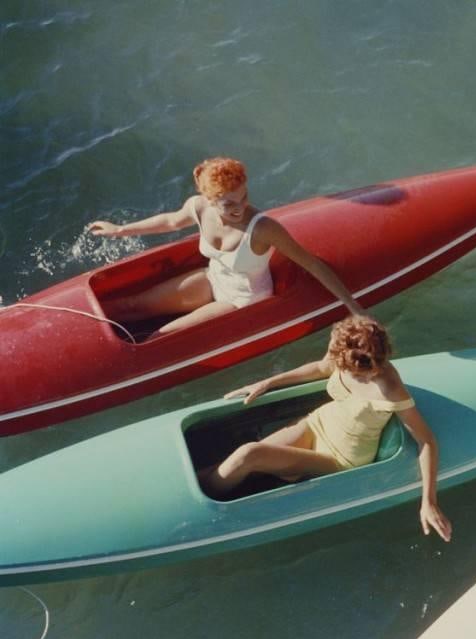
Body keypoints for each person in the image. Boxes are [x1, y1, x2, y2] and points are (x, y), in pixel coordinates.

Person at [200, 315, 452, 541]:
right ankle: (202, 482)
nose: (334, 362)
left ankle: (200, 506)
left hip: (340, 457)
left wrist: (428, 501)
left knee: (249, 454)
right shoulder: (345, 350)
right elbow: (321, 368)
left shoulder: (390, 389)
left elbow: (427, 441)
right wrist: (268, 382)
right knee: (234, 463)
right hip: (316, 423)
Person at [87, 156, 365, 334]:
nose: (240, 208)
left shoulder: (263, 228)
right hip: (213, 278)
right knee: (131, 306)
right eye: (229, 204)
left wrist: (356, 310)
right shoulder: (198, 207)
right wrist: (120, 230)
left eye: (244, 197)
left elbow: (311, 263)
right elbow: (171, 221)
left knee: (161, 336)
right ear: (209, 200)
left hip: (242, 300)